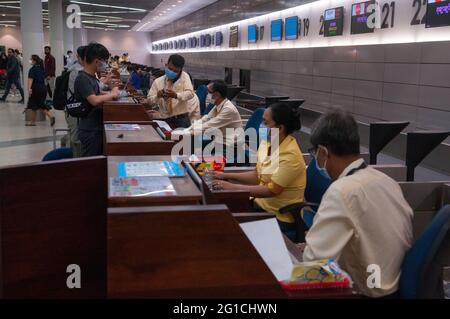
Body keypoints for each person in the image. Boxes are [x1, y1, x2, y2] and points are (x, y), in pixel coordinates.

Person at [302, 110, 413, 298]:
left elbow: (314, 264)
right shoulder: (386, 181)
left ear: (323, 151)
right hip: (393, 284)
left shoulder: (342, 191)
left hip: (367, 291)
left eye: (315, 154)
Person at [211, 103, 306, 240]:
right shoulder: (267, 143)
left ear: (280, 128)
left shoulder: (290, 156)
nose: (261, 125)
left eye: (265, 122)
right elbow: (257, 175)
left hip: (278, 216)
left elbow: (272, 190)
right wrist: (226, 175)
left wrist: (232, 187)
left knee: (229, 232)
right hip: (258, 204)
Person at [74, 42, 119, 157]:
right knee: (90, 163)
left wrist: (111, 92)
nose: (105, 64)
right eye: (104, 61)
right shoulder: (82, 78)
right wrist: (112, 93)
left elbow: (97, 93)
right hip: (90, 129)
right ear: (96, 61)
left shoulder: (92, 77)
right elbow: (94, 100)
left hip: (96, 127)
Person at [184, 80, 242, 147]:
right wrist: (188, 129)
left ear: (217, 94)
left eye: (208, 92)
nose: (206, 94)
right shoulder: (218, 105)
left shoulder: (228, 109)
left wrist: (190, 132)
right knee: (193, 142)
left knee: (194, 143)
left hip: (230, 145)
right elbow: (205, 119)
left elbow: (210, 125)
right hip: (220, 140)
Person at [146, 54, 194, 128]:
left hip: (181, 119)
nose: (172, 72)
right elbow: (149, 101)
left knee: (182, 139)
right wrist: (158, 96)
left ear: (180, 69)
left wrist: (176, 95)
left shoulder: (184, 76)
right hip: (165, 118)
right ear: (166, 65)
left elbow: (190, 93)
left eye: (176, 71)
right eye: (170, 69)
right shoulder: (158, 81)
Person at [65, 45, 86, 157]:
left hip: (74, 107)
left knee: (75, 134)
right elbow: (85, 93)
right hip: (74, 108)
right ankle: (75, 163)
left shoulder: (78, 68)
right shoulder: (77, 71)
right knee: (76, 137)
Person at [26, 54, 55, 126]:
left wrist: (29, 89)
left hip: (36, 88)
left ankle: (50, 116)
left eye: (31, 59)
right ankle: (33, 122)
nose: (30, 60)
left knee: (34, 105)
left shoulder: (32, 69)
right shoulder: (41, 69)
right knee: (38, 104)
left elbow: (30, 80)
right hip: (43, 88)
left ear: (34, 61)